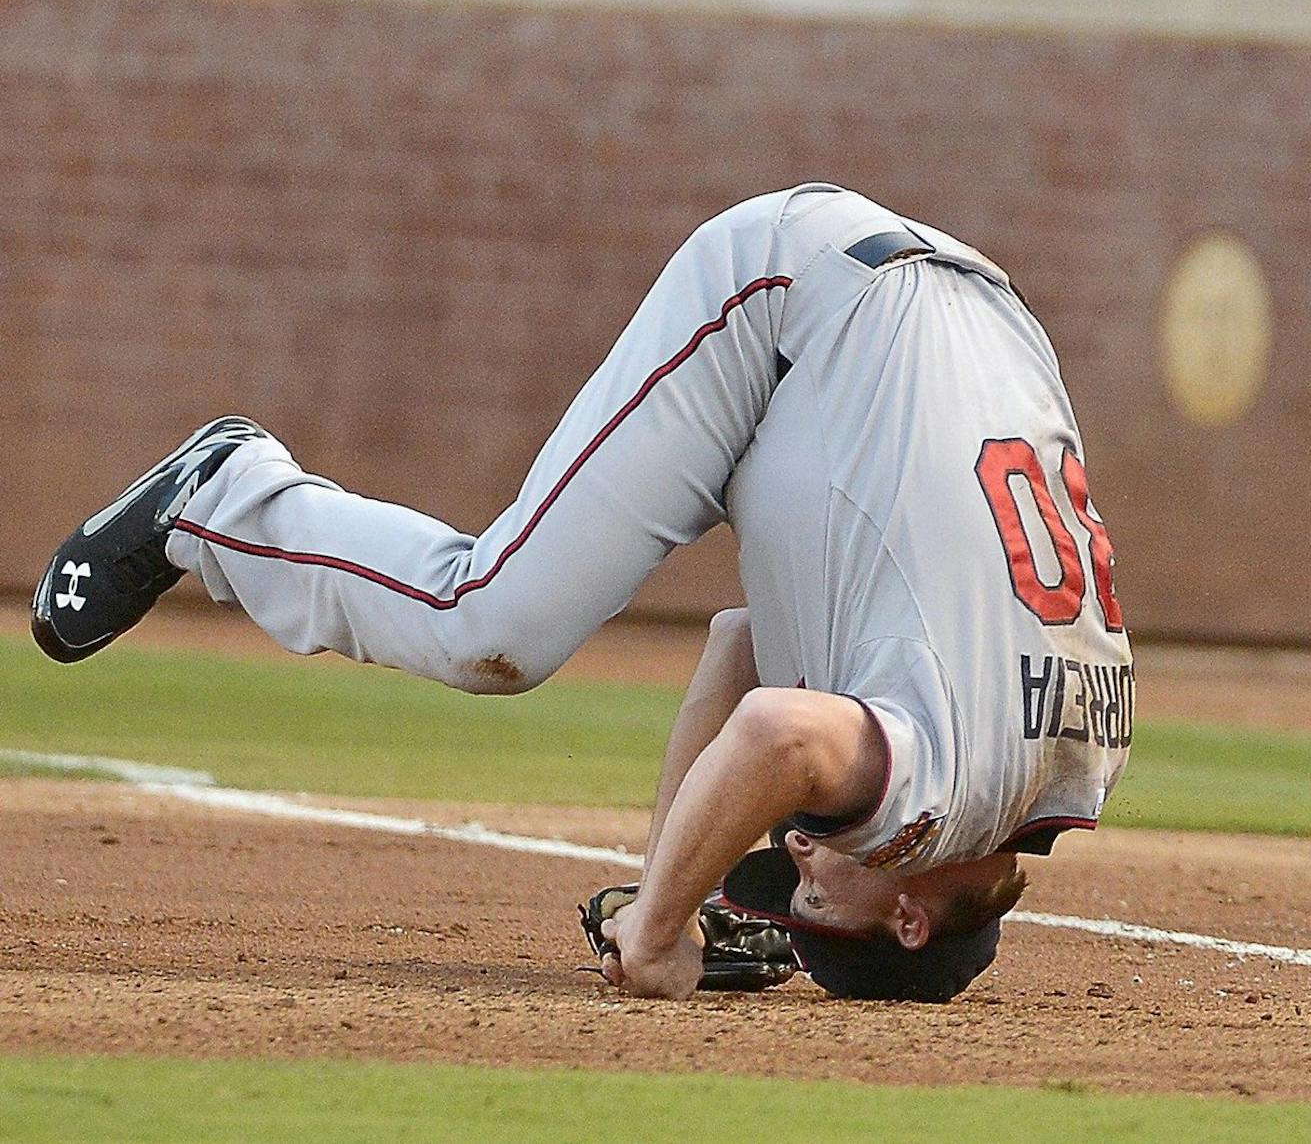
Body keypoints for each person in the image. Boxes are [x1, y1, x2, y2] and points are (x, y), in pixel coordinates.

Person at [30, 182, 1132, 1007]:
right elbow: (778, 733)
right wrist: (658, 928)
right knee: (490, 623)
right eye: (812, 902)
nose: (796, 854)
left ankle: (229, 500)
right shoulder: (938, 801)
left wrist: (678, 885)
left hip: (967, 316)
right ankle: (225, 499)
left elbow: (747, 647)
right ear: (905, 912)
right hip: (793, 302)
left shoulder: (1087, 752)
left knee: (734, 633)